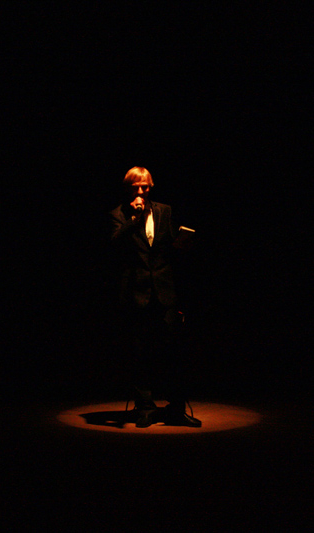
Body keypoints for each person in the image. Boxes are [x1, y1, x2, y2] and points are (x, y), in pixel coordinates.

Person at [108, 166, 201, 428]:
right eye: (135, 187)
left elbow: (168, 247)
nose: (140, 191)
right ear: (127, 188)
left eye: (145, 187)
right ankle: (145, 408)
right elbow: (114, 244)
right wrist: (134, 219)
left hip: (164, 291)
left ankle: (176, 408)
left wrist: (182, 244)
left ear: (151, 187)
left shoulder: (164, 211)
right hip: (136, 293)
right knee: (140, 353)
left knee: (173, 352)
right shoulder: (118, 214)